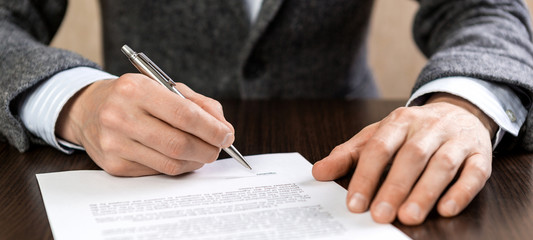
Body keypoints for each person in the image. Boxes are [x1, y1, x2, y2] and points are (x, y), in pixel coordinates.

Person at [1, 0, 532, 226]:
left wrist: (463, 102)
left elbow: (482, 8)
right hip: (126, 167)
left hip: (341, 151)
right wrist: (74, 101)